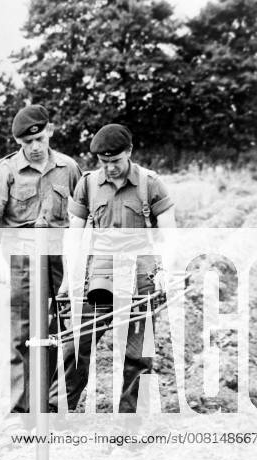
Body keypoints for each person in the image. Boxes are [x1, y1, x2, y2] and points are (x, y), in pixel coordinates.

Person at [49, 123, 176, 413]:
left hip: (140, 274)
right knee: (76, 346)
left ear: (129, 152)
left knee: (137, 355)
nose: (109, 168)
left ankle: (131, 424)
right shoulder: (88, 184)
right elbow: (74, 234)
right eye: (103, 162)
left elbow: (170, 233)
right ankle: (56, 413)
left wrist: (164, 270)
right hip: (100, 274)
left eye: (115, 161)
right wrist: (70, 276)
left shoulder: (150, 183)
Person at [0, 104, 80, 414]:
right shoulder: (5, 170)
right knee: (21, 334)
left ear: (50, 131)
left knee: (68, 331)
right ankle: (20, 411)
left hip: (60, 258)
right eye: (26, 143)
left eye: (39, 139)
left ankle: (53, 403)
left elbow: (81, 217)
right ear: (18, 143)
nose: (34, 148)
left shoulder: (69, 168)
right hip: (20, 260)